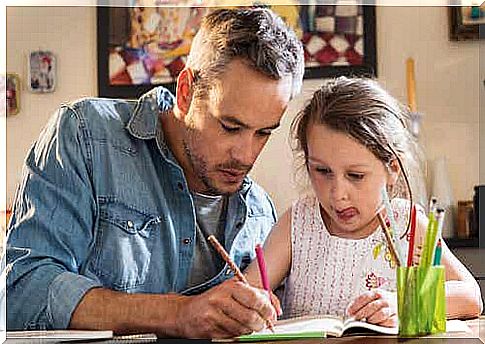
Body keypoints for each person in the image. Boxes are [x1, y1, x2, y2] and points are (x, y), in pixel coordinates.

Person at [5, 8, 304, 339]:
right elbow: (22, 293)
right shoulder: (85, 135)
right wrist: (178, 313)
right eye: (230, 127)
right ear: (187, 90)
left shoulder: (261, 213)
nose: (246, 155)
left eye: (264, 133)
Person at [244, 77, 483, 327]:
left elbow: (471, 297)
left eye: (355, 175)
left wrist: (404, 303)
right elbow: (247, 291)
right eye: (322, 171)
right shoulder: (298, 222)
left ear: (392, 168)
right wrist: (253, 304)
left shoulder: (407, 225)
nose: (338, 194)